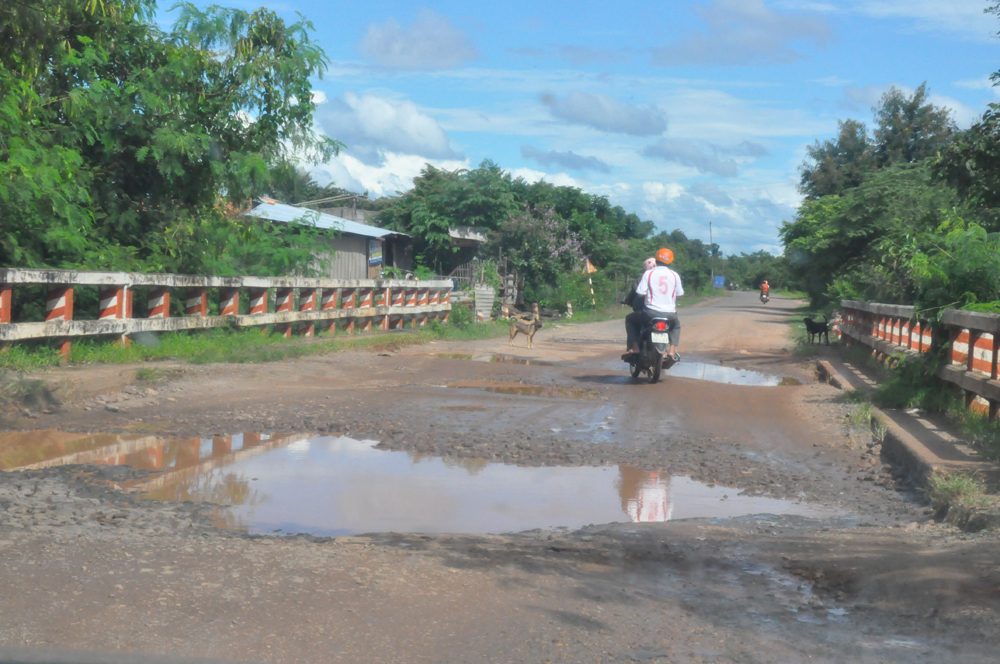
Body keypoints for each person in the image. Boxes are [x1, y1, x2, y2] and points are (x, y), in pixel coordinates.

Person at [624, 248, 683, 361]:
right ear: (670, 262)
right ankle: (672, 351)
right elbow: (680, 295)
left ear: (657, 260)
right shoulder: (675, 275)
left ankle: (635, 347)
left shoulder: (648, 274)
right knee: (676, 326)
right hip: (670, 314)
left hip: (650, 313)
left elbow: (640, 293)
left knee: (630, 320)